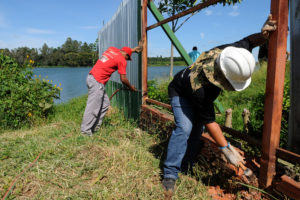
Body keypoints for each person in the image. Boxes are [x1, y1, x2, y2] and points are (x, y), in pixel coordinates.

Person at [162, 15, 277, 194]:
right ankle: (170, 173)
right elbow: (211, 121)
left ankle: (186, 166)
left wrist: (263, 35)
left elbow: (248, 41)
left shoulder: (231, 54)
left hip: (195, 93)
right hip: (180, 91)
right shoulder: (202, 89)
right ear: (223, 77)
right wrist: (226, 149)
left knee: (197, 130)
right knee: (185, 127)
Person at [81, 41, 143, 136]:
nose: (127, 60)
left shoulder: (112, 49)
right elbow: (123, 79)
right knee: (93, 107)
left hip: (91, 78)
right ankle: (85, 132)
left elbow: (124, 51)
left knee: (105, 104)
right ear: (126, 55)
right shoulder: (122, 60)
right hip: (97, 82)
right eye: (128, 58)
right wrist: (131, 88)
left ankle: (95, 128)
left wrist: (134, 50)